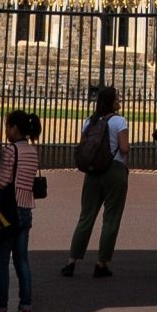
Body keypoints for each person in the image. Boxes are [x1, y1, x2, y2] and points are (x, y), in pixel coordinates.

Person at [0, 107, 42, 312]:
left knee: (1, 260)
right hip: (25, 209)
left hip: (9, 211)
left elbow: (3, 183)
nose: (6, 130)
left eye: (7, 126)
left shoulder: (10, 150)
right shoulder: (32, 151)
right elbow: (18, 177)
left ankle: (0, 308)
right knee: (22, 260)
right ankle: (25, 308)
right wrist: (0, 170)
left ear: (14, 128)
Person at [61, 85, 130, 278]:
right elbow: (124, 148)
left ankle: (71, 261)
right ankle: (101, 263)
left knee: (86, 217)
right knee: (111, 219)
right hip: (114, 170)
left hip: (92, 173)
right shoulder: (119, 121)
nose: (120, 101)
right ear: (111, 101)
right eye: (117, 98)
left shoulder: (89, 122)